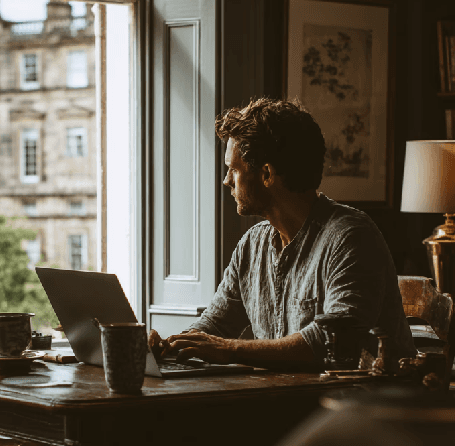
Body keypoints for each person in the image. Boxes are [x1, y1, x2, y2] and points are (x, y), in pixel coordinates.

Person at [149, 97, 415, 369]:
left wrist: (231, 350)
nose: (226, 180)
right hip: (288, 399)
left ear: (266, 174)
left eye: (234, 169)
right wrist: (166, 346)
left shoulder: (351, 237)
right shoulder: (252, 244)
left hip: (358, 406)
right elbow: (215, 325)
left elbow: (332, 341)